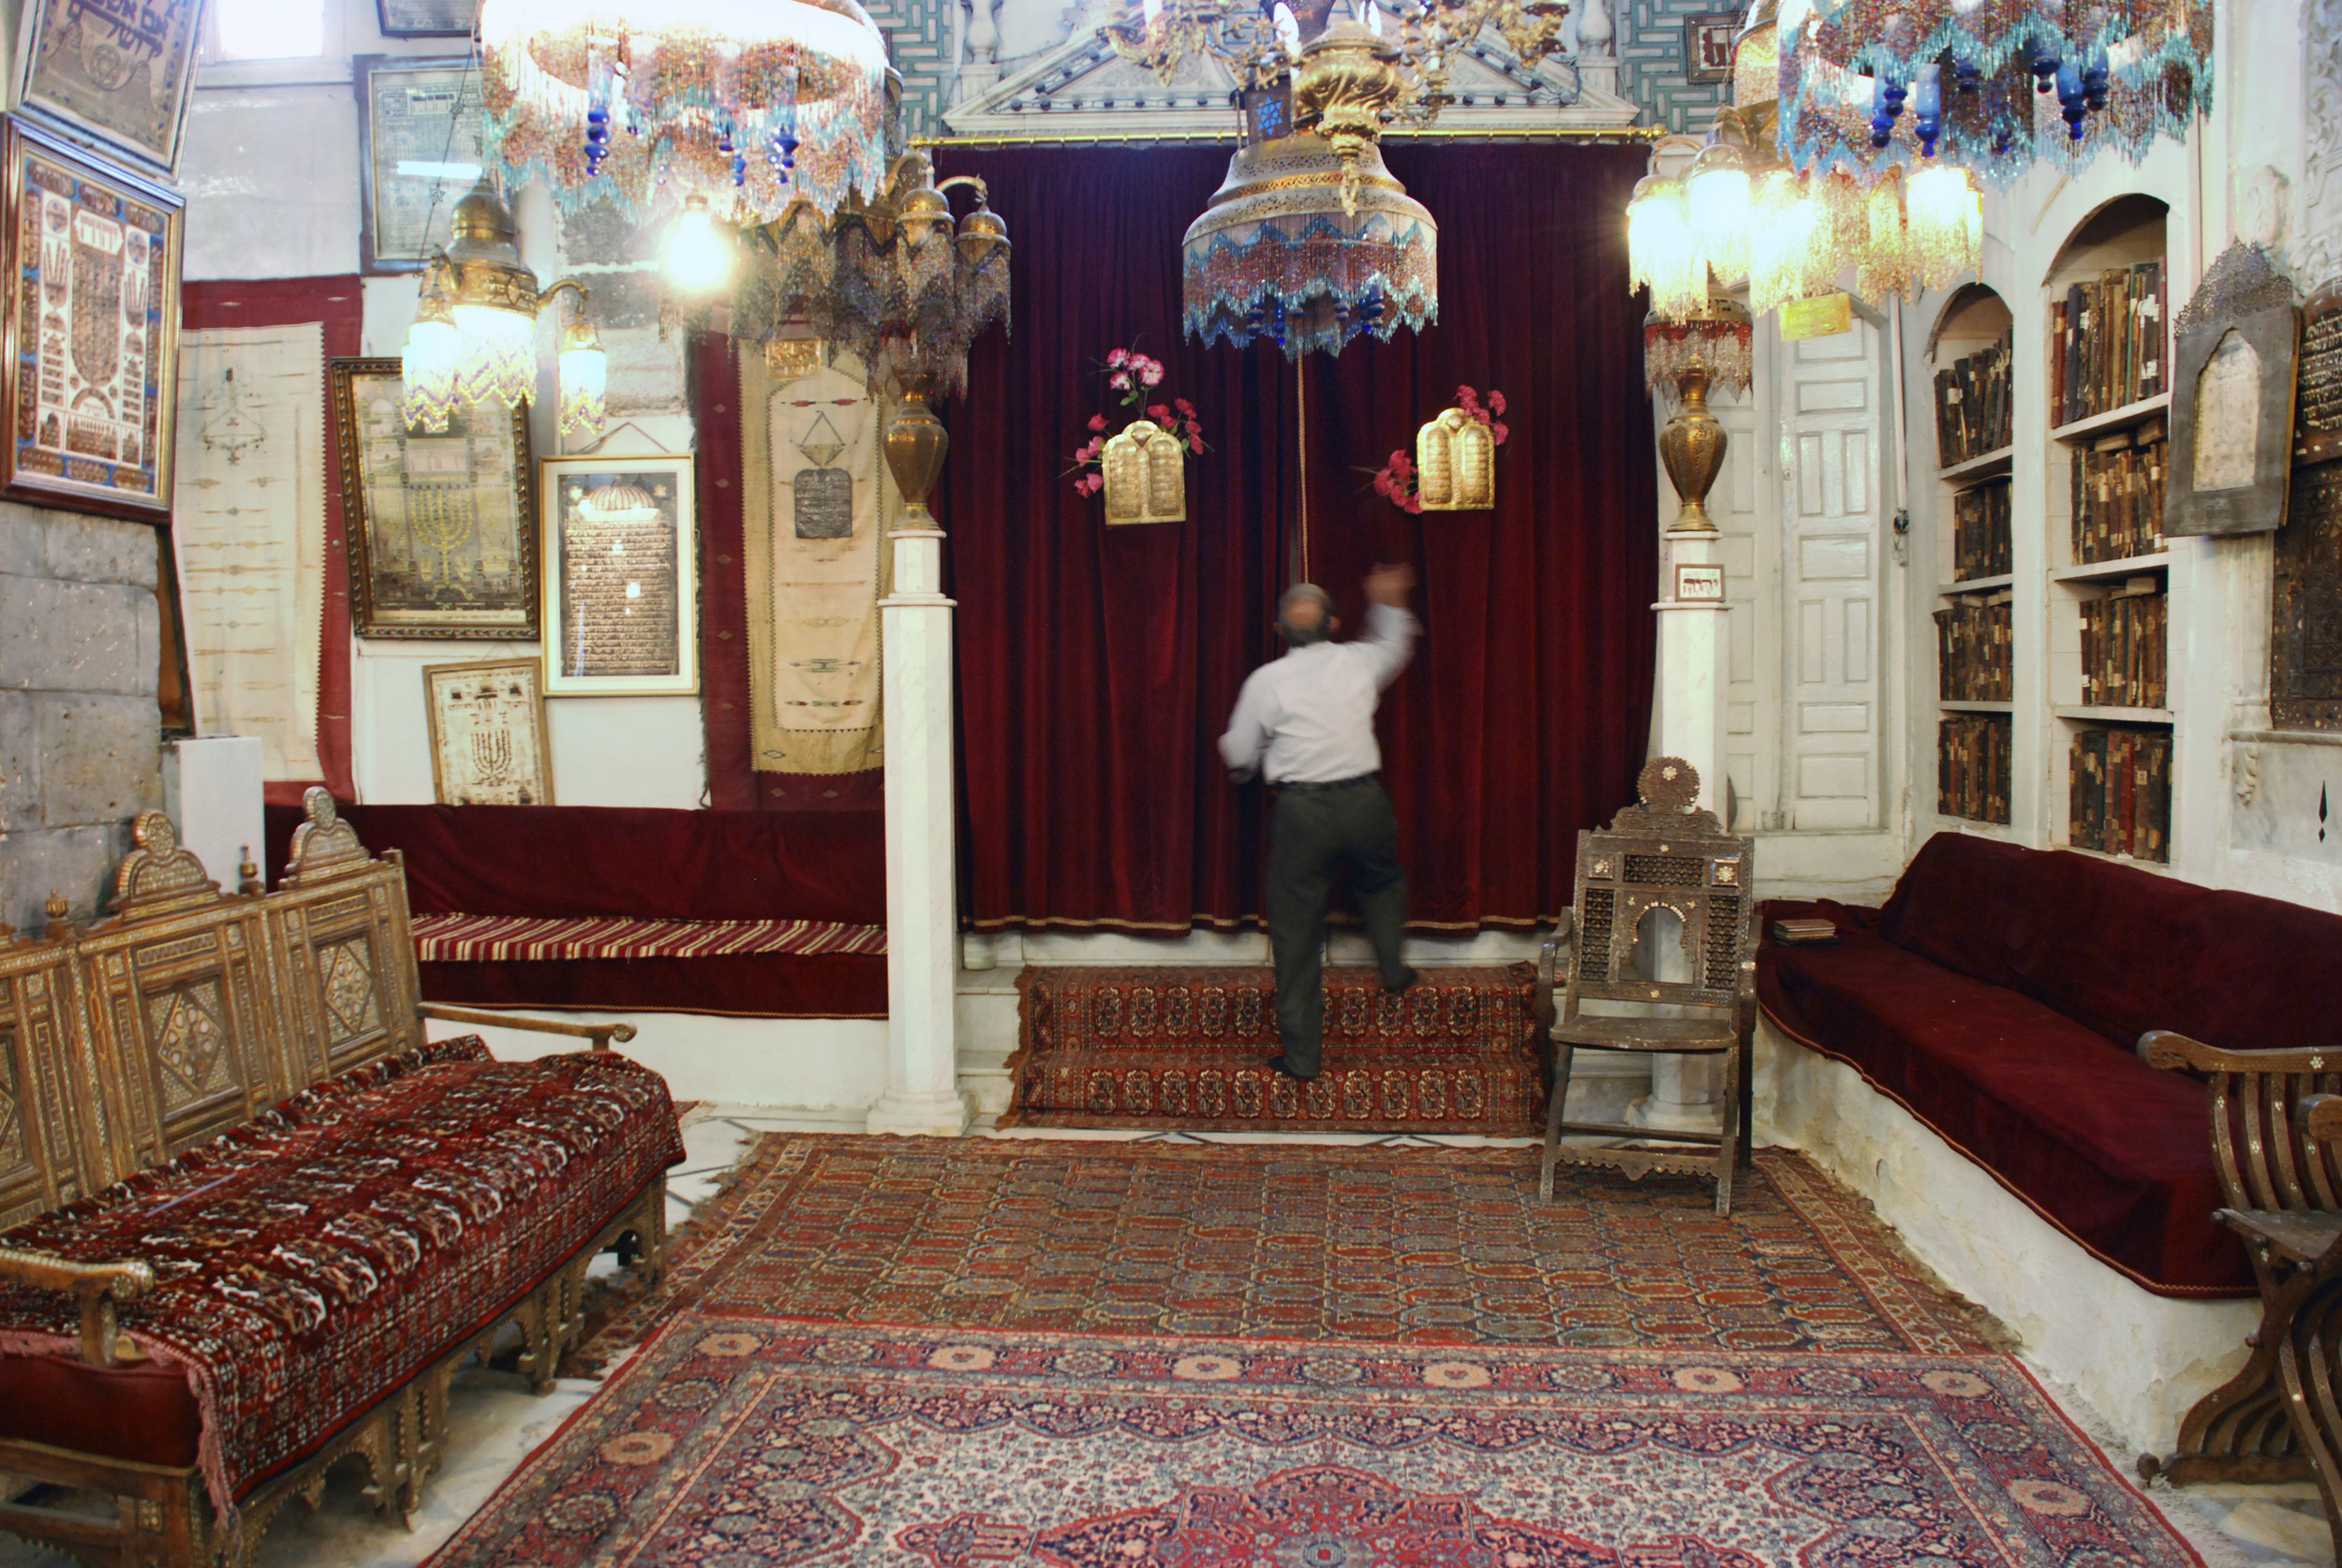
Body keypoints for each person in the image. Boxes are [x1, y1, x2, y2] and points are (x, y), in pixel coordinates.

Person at [1220, 564, 1419, 1083]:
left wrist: (1249, 765)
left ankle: (1304, 1058)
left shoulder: (1267, 680)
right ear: (1333, 625)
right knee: (1382, 877)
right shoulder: (1358, 661)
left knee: (1296, 935)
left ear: (1281, 632)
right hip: (1364, 801)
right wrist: (1388, 601)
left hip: (1303, 814)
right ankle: (1393, 966)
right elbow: (1395, 644)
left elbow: (1239, 753)